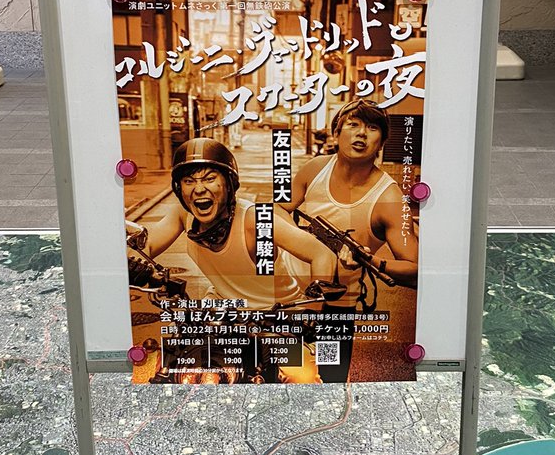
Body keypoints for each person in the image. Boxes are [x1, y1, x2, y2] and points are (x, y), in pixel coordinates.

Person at [282, 99, 419, 380]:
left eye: (372, 128)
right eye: (353, 125)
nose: (361, 133)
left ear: (382, 142)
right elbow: (277, 208)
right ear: (336, 133)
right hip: (288, 291)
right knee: (278, 374)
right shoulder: (314, 169)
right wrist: (298, 238)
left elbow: (415, 270)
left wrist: (371, 260)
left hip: (335, 309)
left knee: (328, 379)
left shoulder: (389, 198)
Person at [128, 138, 336, 313]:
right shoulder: (183, 215)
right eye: (189, 181)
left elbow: (321, 254)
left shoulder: (255, 218)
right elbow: (147, 246)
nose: (198, 189)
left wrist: (314, 310)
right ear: (179, 188)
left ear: (228, 184)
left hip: (278, 313)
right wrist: (135, 265)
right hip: (225, 309)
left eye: (209, 179)